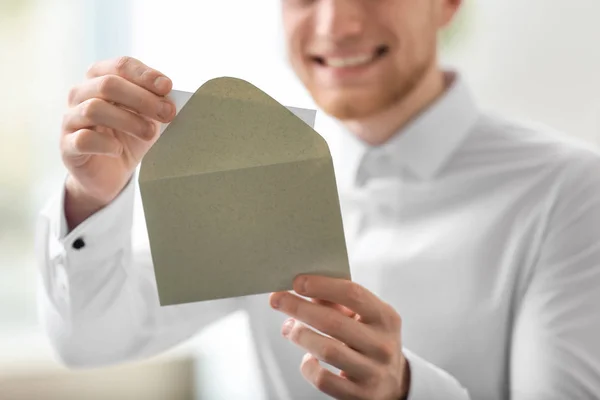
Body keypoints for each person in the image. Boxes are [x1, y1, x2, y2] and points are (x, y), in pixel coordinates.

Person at [36, 0, 600, 399]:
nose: (337, 23)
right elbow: (88, 341)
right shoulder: (252, 177)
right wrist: (93, 194)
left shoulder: (571, 193)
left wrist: (406, 392)